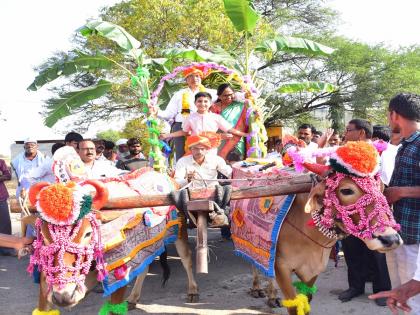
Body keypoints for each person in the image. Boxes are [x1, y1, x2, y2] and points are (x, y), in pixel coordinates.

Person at [338, 118, 391, 306]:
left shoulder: (380, 152)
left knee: (377, 250)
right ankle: (355, 287)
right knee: (352, 249)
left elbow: (384, 180)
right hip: (350, 210)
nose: (345, 133)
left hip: (372, 210)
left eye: (349, 130)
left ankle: (382, 290)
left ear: (361, 133)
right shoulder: (343, 153)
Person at [381, 93, 420, 314]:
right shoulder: (406, 144)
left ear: (394, 115)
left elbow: (401, 189)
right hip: (399, 233)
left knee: (413, 302)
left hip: (415, 240)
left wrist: (401, 191)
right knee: (399, 297)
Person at [149, 66, 217, 160]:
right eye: (191, 76)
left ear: (201, 78)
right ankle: (182, 174)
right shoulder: (179, 94)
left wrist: (243, 95)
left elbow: (228, 95)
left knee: (204, 154)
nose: (194, 79)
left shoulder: (211, 93)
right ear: (186, 80)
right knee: (182, 156)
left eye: (197, 76)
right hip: (180, 126)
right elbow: (169, 114)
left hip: (202, 126)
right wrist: (157, 112)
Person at [161, 92, 248, 155]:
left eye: (206, 101)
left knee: (210, 171)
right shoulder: (190, 118)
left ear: (210, 104)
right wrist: (167, 135)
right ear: (195, 103)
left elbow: (230, 130)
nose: (203, 104)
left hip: (211, 149)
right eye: (199, 101)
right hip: (195, 148)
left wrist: (246, 134)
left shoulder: (216, 117)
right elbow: (185, 132)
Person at [210, 83, 251, 159]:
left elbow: (249, 120)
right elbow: (209, 127)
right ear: (219, 96)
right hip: (220, 140)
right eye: (225, 95)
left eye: (231, 94)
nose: (229, 97)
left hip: (237, 141)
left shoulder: (241, 106)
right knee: (220, 164)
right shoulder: (213, 108)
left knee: (236, 164)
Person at [0, 158, 13, 256]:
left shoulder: (1, 162)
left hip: (1, 197)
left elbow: (8, 176)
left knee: (5, 223)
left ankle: (6, 249)